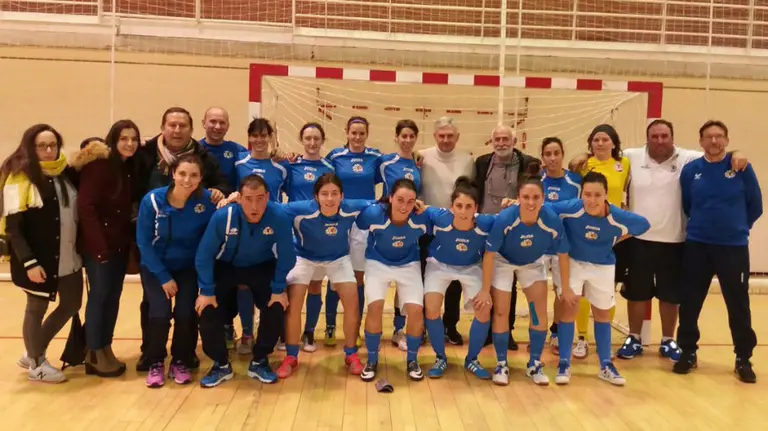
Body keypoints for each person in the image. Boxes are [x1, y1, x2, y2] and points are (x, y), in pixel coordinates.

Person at [616, 119, 748, 362]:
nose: (659, 141)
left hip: (675, 241)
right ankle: (633, 337)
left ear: (672, 138)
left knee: (670, 296)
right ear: (648, 138)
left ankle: (668, 340)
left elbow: (716, 152)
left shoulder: (687, 158)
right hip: (638, 240)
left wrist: (737, 153)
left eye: (664, 136)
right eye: (654, 136)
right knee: (636, 294)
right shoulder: (630, 157)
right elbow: (604, 155)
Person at [134, 106, 230, 372]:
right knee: (156, 309)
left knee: (186, 312)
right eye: (172, 125)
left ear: (191, 129)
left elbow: (224, 187)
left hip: (188, 263)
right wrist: (162, 275)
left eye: (182, 126)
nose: (177, 130)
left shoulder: (204, 158)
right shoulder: (145, 155)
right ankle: (151, 355)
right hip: (155, 254)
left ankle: (183, 356)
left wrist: (221, 194)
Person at [674, 120, 761, 383]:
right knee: (690, 302)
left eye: (719, 136)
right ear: (700, 142)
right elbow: (687, 205)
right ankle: (688, 352)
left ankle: (743, 358)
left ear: (727, 140)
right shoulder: (691, 171)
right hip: (698, 245)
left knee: (738, 304)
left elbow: (755, 204)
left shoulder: (741, 167)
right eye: (709, 137)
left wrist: (736, 228)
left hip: (733, 248)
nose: (714, 141)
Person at [195, 174, 296, 387]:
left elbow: (287, 255)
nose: (254, 205)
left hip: (262, 266)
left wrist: (279, 288)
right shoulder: (223, 217)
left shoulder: (279, 216)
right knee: (207, 308)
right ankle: (220, 364)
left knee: (276, 304)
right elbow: (204, 255)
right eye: (249, 198)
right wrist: (206, 290)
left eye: (260, 198)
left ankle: (260, 360)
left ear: (268, 197)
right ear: (239, 198)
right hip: (225, 266)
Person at [550, 171, 650, 386]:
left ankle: (605, 364)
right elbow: (544, 208)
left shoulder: (617, 216)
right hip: (573, 262)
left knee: (602, 314)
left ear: (606, 195)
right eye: (587, 194)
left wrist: (616, 237)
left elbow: (643, 225)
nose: (591, 200)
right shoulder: (571, 208)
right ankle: (564, 362)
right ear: (581, 195)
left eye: (597, 195)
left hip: (602, 264)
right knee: (569, 309)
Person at [1, 124, 82, 383]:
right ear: (30, 147)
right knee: (36, 307)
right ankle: (37, 364)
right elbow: (14, 228)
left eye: (52, 145)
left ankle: (33, 350)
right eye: (41, 146)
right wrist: (29, 262)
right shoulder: (18, 177)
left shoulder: (65, 173)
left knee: (71, 303)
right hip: (37, 260)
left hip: (68, 255)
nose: (48, 150)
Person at [277, 173, 372, 378]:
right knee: (294, 304)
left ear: (342, 196)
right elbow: (271, 208)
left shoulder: (351, 207)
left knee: (352, 301)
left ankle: (351, 354)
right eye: (324, 194)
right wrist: (233, 198)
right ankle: (291, 356)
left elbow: (379, 204)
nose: (330, 199)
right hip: (304, 258)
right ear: (316, 197)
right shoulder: (301, 210)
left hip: (338, 259)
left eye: (334, 194)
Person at [136, 154, 216, 388]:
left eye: (193, 175)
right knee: (159, 314)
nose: (187, 180)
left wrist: (228, 196)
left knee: (185, 314)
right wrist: (163, 277)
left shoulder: (208, 201)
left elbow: (227, 209)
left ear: (201, 178)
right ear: (173, 174)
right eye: (182, 174)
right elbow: (143, 242)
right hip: (156, 267)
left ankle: (180, 360)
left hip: (188, 268)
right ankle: (156, 361)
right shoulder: (152, 201)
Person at [484, 176, 570, 386]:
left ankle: (534, 363)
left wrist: (566, 288)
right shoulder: (505, 218)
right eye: (526, 197)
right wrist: (485, 290)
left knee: (537, 311)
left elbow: (564, 254)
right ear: (518, 198)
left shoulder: (551, 220)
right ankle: (502, 363)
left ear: (543, 199)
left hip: (532, 262)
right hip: (503, 262)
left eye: (536, 197)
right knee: (502, 311)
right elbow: (489, 255)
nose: (531, 202)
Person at [73, 119, 140, 377]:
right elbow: (86, 208)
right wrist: (98, 248)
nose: (129, 144)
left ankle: (106, 347)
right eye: (124, 138)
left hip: (119, 246)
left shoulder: (127, 168)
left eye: (134, 139)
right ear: (113, 139)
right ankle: (93, 351)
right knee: (99, 298)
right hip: (99, 248)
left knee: (112, 298)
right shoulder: (99, 166)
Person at [356, 178, 430, 382]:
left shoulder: (423, 217)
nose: (405, 206)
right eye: (400, 200)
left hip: (408, 263)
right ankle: (371, 359)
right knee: (375, 307)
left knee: (416, 309)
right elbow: (355, 216)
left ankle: (412, 360)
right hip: (377, 262)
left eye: (410, 201)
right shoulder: (374, 214)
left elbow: (454, 215)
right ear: (390, 198)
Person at [474, 124, 540, 350]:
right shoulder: (482, 162)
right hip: (487, 228)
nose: (501, 143)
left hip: (514, 230)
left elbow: (534, 192)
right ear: (492, 142)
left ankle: (506, 330)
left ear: (514, 141)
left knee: (508, 282)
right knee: (487, 280)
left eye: (506, 139)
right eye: (497, 139)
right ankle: (485, 331)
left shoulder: (528, 163)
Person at [421, 177, 494, 380]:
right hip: (439, 265)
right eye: (459, 206)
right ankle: (440, 357)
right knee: (432, 308)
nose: (463, 211)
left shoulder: (486, 223)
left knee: (484, 308)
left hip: (471, 267)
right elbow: (421, 208)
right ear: (451, 207)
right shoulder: (439, 217)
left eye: (468, 206)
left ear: (476, 208)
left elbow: (508, 218)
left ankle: (472, 359)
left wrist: (514, 203)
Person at [568, 124, 630, 360]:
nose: (601, 143)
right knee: (583, 290)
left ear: (614, 142)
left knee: (607, 290)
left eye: (605, 139)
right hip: (586, 233)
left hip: (612, 234)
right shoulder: (582, 165)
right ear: (590, 143)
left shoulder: (624, 164)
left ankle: (603, 341)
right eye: (596, 140)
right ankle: (581, 337)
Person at [323, 116, 382, 347]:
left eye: (362, 133)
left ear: (367, 134)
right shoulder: (335, 157)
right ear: (346, 132)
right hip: (339, 220)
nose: (357, 137)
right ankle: (329, 326)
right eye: (353, 133)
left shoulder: (375, 157)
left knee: (357, 277)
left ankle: (354, 327)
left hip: (364, 224)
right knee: (334, 276)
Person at [419, 117, 475, 346]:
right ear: (434, 136)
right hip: (427, 228)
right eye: (441, 136)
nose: (445, 140)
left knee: (454, 281)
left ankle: (450, 326)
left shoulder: (468, 160)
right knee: (425, 278)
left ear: (457, 137)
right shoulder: (420, 157)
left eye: (450, 136)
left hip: (457, 229)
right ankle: (423, 324)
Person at [286, 123, 336, 353]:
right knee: (295, 285)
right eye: (308, 138)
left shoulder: (329, 167)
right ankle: (287, 333)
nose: (312, 143)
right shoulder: (292, 165)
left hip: (318, 233)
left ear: (322, 140)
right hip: (294, 232)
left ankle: (309, 332)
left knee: (315, 284)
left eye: (316, 138)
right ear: (301, 139)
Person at [380, 120, 423, 350]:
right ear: (396, 137)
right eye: (403, 136)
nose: (407, 141)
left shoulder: (419, 164)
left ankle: (399, 329)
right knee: (378, 278)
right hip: (386, 224)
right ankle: (370, 328)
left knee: (404, 280)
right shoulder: (385, 162)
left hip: (409, 225)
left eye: (411, 136)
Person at [540, 137, 581, 352]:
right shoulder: (535, 180)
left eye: (556, 153)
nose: (552, 158)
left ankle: (556, 331)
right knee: (537, 290)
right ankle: (537, 331)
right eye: (548, 154)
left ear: (563, 154)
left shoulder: (576, 181)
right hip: (538, 245)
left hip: (563, 246)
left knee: (562, 291)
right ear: (542, 157)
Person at [199, 107, 247, 190]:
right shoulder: (195, 150)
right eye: (213, 121)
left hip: (230, 201)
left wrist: (275, 154)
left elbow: (258, 159)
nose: (217, 126)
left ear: (228, 126)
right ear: (204, 123)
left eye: (222, 123)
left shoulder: (237, 150)